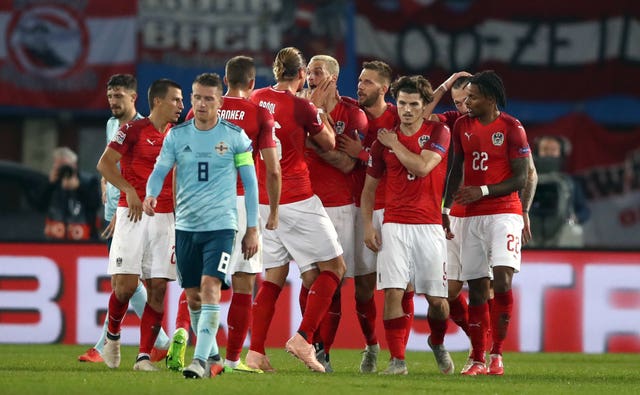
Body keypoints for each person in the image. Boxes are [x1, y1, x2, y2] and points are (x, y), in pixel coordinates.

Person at [143, 72, 260, 379]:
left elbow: (251, 184)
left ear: (220, 102)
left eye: (209, 98)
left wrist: (253, 228)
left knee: (211, 289)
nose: (203, 103)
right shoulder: (177, 136)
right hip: (185, 227)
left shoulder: (236, 137)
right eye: (197, 97)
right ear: (192, 99)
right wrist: (151, 195)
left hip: (221, 227)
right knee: (193, 296)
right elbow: (159, 171)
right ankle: (213, 356)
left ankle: (198, 361)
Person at [176, 56, 282, 373]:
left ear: (225, 81)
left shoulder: (200, 110)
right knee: (243, 283)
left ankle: (202, 350)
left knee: (199, 282)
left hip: (202, 204)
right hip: (241, 204)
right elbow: (273, 170)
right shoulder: (261, 113)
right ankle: (233, 360)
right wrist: (272, 212)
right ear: (252, 83)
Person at [246, 47, 346, 373]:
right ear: (301, 74)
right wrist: (316, 108)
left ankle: (256, 352)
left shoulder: (255, 97)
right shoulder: (302, 106)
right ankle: (304, 338)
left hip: (263, 200)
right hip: (297, 198)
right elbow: (329, 143)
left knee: (273, 276)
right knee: (335, 267)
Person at [361, 75, 453, 375]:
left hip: (429, 226)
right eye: (402, 103)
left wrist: (396, 144)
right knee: (392, 292)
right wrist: (367, 226)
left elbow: (423, 167)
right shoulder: (381, 143)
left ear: (424, 105)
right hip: (395, 224)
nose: (407, 110)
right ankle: (397, 361)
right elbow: (369, 189)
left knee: (438, 302)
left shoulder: (439, 132)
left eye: (414, 104)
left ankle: (437, 341)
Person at [444, 70, 535, 376]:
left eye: (471, 97)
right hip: (470, 215)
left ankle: (497, 353)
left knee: (502, 280)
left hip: (504, 211)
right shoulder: (461, 125)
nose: (465, 102)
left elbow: (521, 178)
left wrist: (481, 190)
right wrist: (445, 208)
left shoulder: (512, 128)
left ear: (490, 98)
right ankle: (479, 358)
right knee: (477, 287)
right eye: (465, 96)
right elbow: (456, 168)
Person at [78, 74, 170, 364]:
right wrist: (109, 189)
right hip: (117, 211)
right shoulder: (111, 125)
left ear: (134, 98)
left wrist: (123, 205)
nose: (113, 102)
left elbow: (144, 177)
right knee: (123, 282)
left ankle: (108, 342)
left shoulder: (144, 129)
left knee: (131, 282)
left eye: (119, 96)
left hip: (135, 212)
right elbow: (111, 165)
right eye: (109, 97)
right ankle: (125, 341)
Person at [96, 78, 183, 371]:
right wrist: (129, 189)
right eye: (176, 100)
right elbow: (105, 164)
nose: (181, 106)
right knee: (126, 287)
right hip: (132, 215)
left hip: (165, 218)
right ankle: (112, 336)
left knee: (157, 288)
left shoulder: (180, 135)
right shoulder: (131, 130)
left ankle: (143, 356)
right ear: (158, 101)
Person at [304, 54, 367, 372]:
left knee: (333, 279)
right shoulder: (297, 105)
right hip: (300, 202)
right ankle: (310, 341)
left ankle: (322, 349)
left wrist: (312, 139)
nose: (310, 78)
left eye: (317, 73)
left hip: (339, 205)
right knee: (308, 279)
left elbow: (346, 164)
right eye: (308, 72)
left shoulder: (353, 113)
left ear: (332, 78)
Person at [335, 60, 398, 373]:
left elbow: (403, 154)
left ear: (384, 89)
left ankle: (398, 355)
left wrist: (362, 153)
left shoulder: (398, 117)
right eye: (360, 80)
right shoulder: (349, 114)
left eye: (369, 82)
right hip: (360, 209)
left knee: (399, 287)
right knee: (362, 289)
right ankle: (371, 346)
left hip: (395, 209)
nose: (360, 86)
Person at [529, 135, 588, 247]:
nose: (549, 153)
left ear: (561, 153)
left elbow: (584, 210)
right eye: (545, 149)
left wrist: (575, 218)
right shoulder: (525, 182)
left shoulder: (570, 183)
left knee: (575, 231)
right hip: (531, 233)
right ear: (537, 152)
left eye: (553, 150)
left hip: (561, 234)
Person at [37, 146, 101, 241]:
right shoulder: (52, 182)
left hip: (84, 239)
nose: (64, 170)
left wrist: (79, 188)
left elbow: (95, 205)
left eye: (66, 165)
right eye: (60, 166)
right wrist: (50, 185)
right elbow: (38, 206)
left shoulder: (88, 182)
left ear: (74, 165)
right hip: (54, 240)